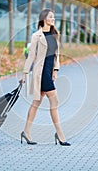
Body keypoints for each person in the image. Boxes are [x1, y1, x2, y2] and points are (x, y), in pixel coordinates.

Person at [20, 9, 71, 146]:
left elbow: (57, 54)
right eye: (50, 17)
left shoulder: (55, 34)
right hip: (40, 73)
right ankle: (60, 134)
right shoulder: (37, 35)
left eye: (54, 17)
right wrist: (25, 74)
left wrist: (55, 70)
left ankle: (26, 132)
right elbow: (31, 56)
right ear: (43, 19)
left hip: (49, 71)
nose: (53, 19)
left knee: (36, 103)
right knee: (55, 101)